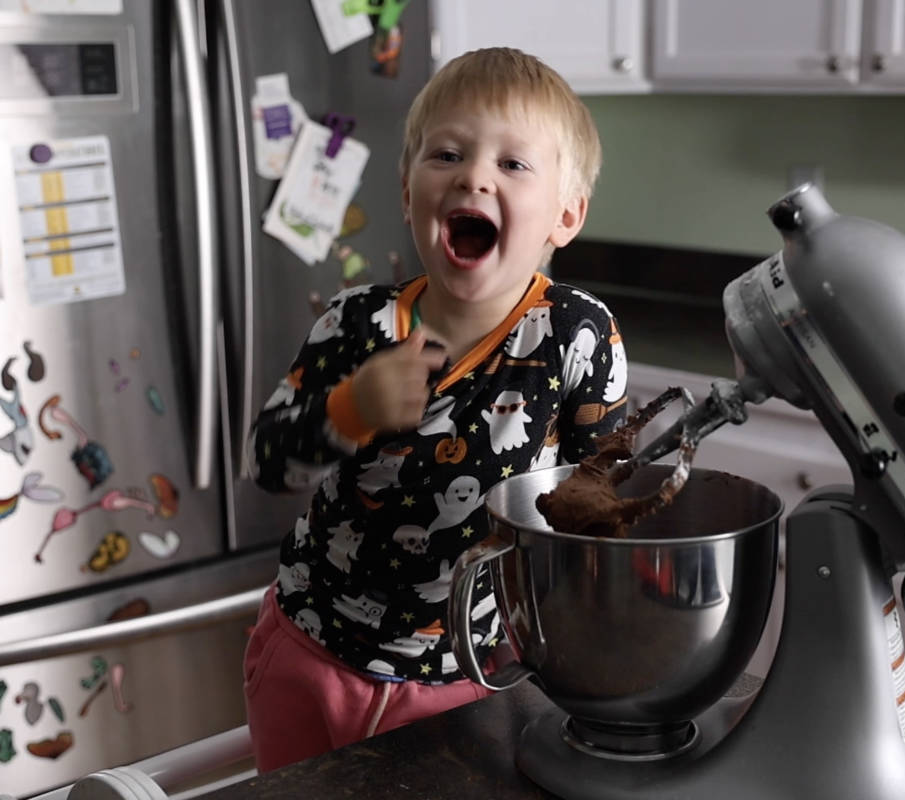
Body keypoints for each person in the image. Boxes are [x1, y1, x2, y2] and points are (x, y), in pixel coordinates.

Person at [242, 46, 629, 772]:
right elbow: (268, 461)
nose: (473, 175)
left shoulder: (576, 335)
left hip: (468, 679)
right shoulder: (355, 325)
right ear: (407, 192)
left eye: (513, 165)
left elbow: (603, 500)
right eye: (446, 153)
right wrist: (351, 409)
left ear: (565, 215)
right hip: (311, 654)